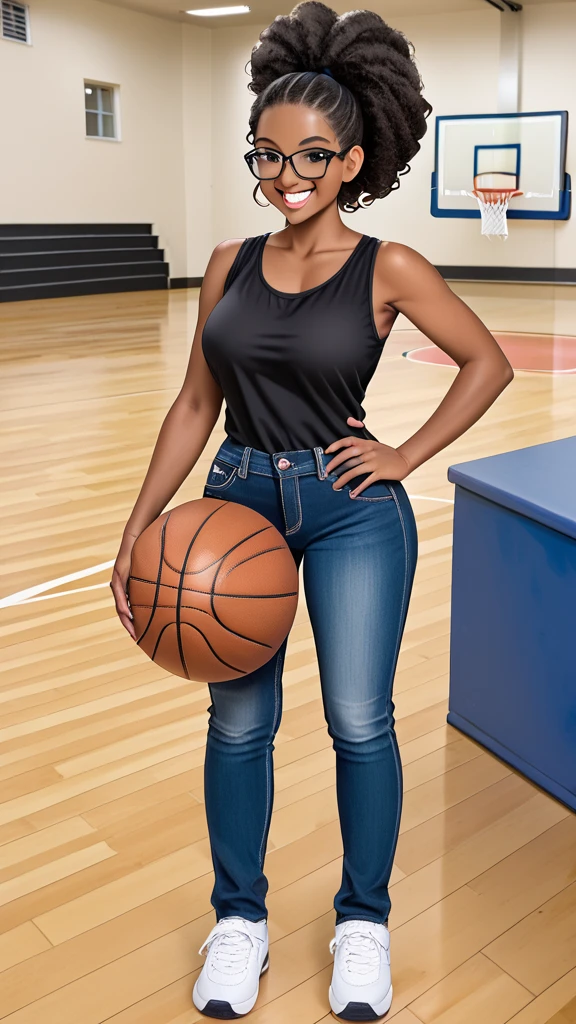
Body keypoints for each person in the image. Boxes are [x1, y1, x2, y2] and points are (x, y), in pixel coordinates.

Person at [110, 2, 514, 1019]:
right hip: (235, 500)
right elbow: (197, 401)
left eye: (312, 157)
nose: (287, 175)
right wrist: (139, 522)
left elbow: (487, 362)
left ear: (352, 161)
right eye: (269, 154)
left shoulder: (392, 267)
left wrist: (404, 454)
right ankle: (239, 919)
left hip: (346, 506)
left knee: (358, 721)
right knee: (238, 725)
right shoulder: (227, 265)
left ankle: (361, 924)